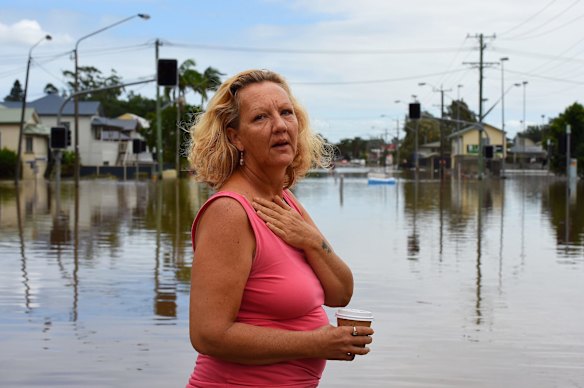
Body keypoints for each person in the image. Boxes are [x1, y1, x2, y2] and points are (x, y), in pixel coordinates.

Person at [185, 69, 373, 387]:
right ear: (235, 136)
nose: (280, 126)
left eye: (286, 112)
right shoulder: (229, 212)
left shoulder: (284, 202)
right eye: (260, 117)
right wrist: (317, 343)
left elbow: (340, 294)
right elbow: (208, 335)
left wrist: (311, 240)